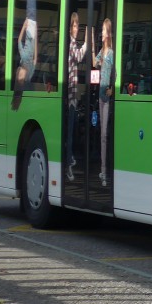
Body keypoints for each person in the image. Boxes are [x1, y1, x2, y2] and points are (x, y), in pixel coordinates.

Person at [64, 11, 89, 181]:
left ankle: (69, 158)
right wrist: (87, 43)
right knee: (70, 132)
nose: (76, 28)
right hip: (70, 94)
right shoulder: (71, 44)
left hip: (71, 94)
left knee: (70, 131)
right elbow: (79, 57)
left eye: (77, 25)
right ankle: (68, 163)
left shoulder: (70, 44)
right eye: (74, 25)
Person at [12, 0, 38, 111]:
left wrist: (24, 24)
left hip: (29, 26)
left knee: (30, 2)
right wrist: (37, 33)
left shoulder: (22, 57)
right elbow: (36, 56)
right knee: (33, 2)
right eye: (22, 75)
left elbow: (19, 40)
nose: (21, 73)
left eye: (19, 75)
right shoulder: (31, 70)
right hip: (34, 28)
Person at [93, 17, 114, 187]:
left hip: (107, 95)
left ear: (108, 33)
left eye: (103, 31)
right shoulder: (102, 51)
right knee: (102, 134)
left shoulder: (112, 53)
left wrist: (112, 88)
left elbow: (116, 72)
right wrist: (92, 45)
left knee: (105, 134)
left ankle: (105, 171)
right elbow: (94, 63)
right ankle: (102, 169)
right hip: (100, 95)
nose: (102, 34)